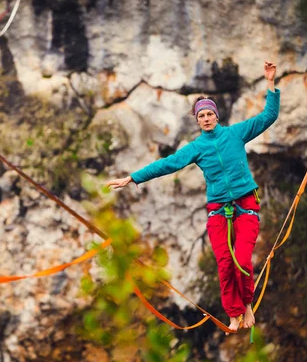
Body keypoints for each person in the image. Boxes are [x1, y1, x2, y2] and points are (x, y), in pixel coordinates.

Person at [106, 61, 279, 333]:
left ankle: (246, 304)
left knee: (242, 260)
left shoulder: (236, 133)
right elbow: (168, 163)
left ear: (217, 116)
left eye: (210, 113)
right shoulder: (196, 147)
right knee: (224, 264)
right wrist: (133, 177)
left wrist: (270, 82)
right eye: (202, 116)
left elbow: (269, 115)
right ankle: (234, 314)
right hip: (219, 210)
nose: (207, 118)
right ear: (197, 121)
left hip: (245, 205)